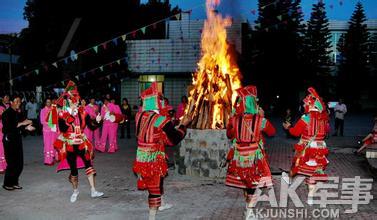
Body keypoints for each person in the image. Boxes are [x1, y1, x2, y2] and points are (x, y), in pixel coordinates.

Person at [133, 82, 191, 220]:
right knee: (154, 188)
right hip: (153, 158)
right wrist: (183, 126)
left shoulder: (139, 116)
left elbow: (156, 134)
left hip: (141, 157)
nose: (162, 102)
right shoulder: (159, 119)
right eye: (160, 100)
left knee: (159, 181)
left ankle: (162, 204)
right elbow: (174, 138)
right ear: (155, 102)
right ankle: (151, 217)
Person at [225, 85, 276, 219]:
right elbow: (272, 132)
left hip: (240, 156)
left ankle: (248, 206)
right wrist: (262, 116)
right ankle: (249, 211)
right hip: (254, 156)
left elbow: (229, 135)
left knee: (245, 182)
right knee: (253, 183)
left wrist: (230, 123)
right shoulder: (260, 120)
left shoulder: (235, 120)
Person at [53, 81, 103, 202]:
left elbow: (91, 126)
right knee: (74, 170)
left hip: (81, 143)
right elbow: (63, 129)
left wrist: (97, 121)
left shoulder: (83, 112)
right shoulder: (62, 114)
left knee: (89, 165)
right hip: (70, 144)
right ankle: (75, 191)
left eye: (77, 99)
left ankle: (93, 190)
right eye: (73, 99)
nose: (76, 101)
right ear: (69, 101)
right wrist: (69, 117)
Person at [283, 87, 330, 205]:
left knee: (296, 164)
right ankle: (310, 198)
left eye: (305, 104)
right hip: (320, 147)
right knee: (314, 171)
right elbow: (327, 131)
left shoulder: (306, 118)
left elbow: (295, 132)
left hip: (306, 146)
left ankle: (289, 179)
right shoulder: (324, 119)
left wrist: (288, 127)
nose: (304, 106)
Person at [2, 95, 35, 190]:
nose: (18, 103)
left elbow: (21, 126)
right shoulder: (6, 113)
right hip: (9, 140)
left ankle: (14, 182)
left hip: (17, 139)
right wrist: (22, 123)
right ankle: (7, 183)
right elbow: (7, 128)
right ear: (11, 102)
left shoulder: (18, 113)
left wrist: (27, 127)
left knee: (19, 163)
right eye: (16, 101)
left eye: (19, 102)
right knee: (12, 163)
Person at [40, 98, 59, 165]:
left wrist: (56, 128)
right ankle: (48, 160)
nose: (49, 103)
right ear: (45, 103)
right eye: (47, 102)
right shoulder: (43, 110)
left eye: (49, 102)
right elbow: (42, 121)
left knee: (53, 144)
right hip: (47, 130)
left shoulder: (53, 109)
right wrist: (50, 124)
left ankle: (54, 157)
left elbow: (56, 120)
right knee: (47, 144)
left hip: (53, 130)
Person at [0, 104, 7, 173]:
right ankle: (0, 168)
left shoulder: (3, 119)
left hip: (3, 136)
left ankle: (4, 166)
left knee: (3, 151)